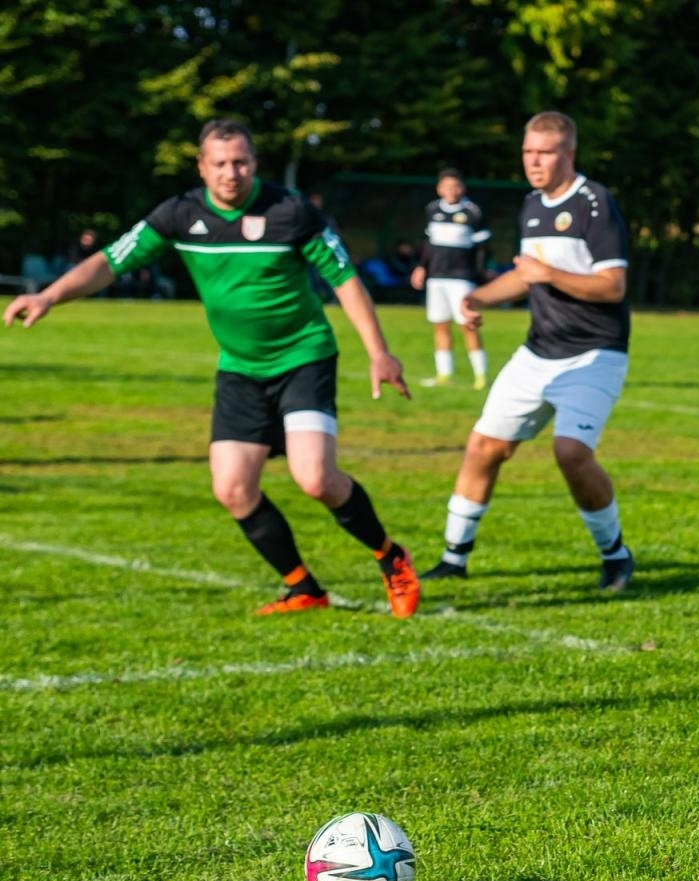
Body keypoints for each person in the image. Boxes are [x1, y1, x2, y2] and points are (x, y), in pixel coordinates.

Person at [3, 119, 420, 617]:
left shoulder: (291, 212)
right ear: (202, 167)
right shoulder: (180, 215)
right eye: (220, 164)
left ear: (255, 163)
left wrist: (379, 352)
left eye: (240, 162)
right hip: (241, 369)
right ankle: (303, 587)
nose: (231, 173)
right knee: (232, 488)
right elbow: (111, 260)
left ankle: (390, 556)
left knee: (315, 479)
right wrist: (49, 295)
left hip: (303, 357)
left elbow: (346, 280)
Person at [419, 112, 635, 591]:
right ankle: (453, 557)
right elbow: (524, 273)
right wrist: (478, 297)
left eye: (544, 152)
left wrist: (549, 275)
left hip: (595, 353)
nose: (533, 162)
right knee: (483, 447)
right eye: (528, 152)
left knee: (571, 452)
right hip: (537, 351)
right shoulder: (532, 205)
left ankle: (616, 556)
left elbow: (613, 285)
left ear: (568, 154)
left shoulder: (594, 203)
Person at [410, 169, 491, 389]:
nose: (451, 191)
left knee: (468, 325)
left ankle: (481, 375)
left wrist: (479, 274)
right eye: (446, 187)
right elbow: (428, 244)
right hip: (436, 277)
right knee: (440, 325)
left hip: (461, 278)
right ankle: (444, 374)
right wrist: (421, 268)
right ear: (439, 189)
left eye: (455, 187)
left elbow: (482, 247)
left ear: (462, 188)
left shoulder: (472, 211)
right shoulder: (432, 209)